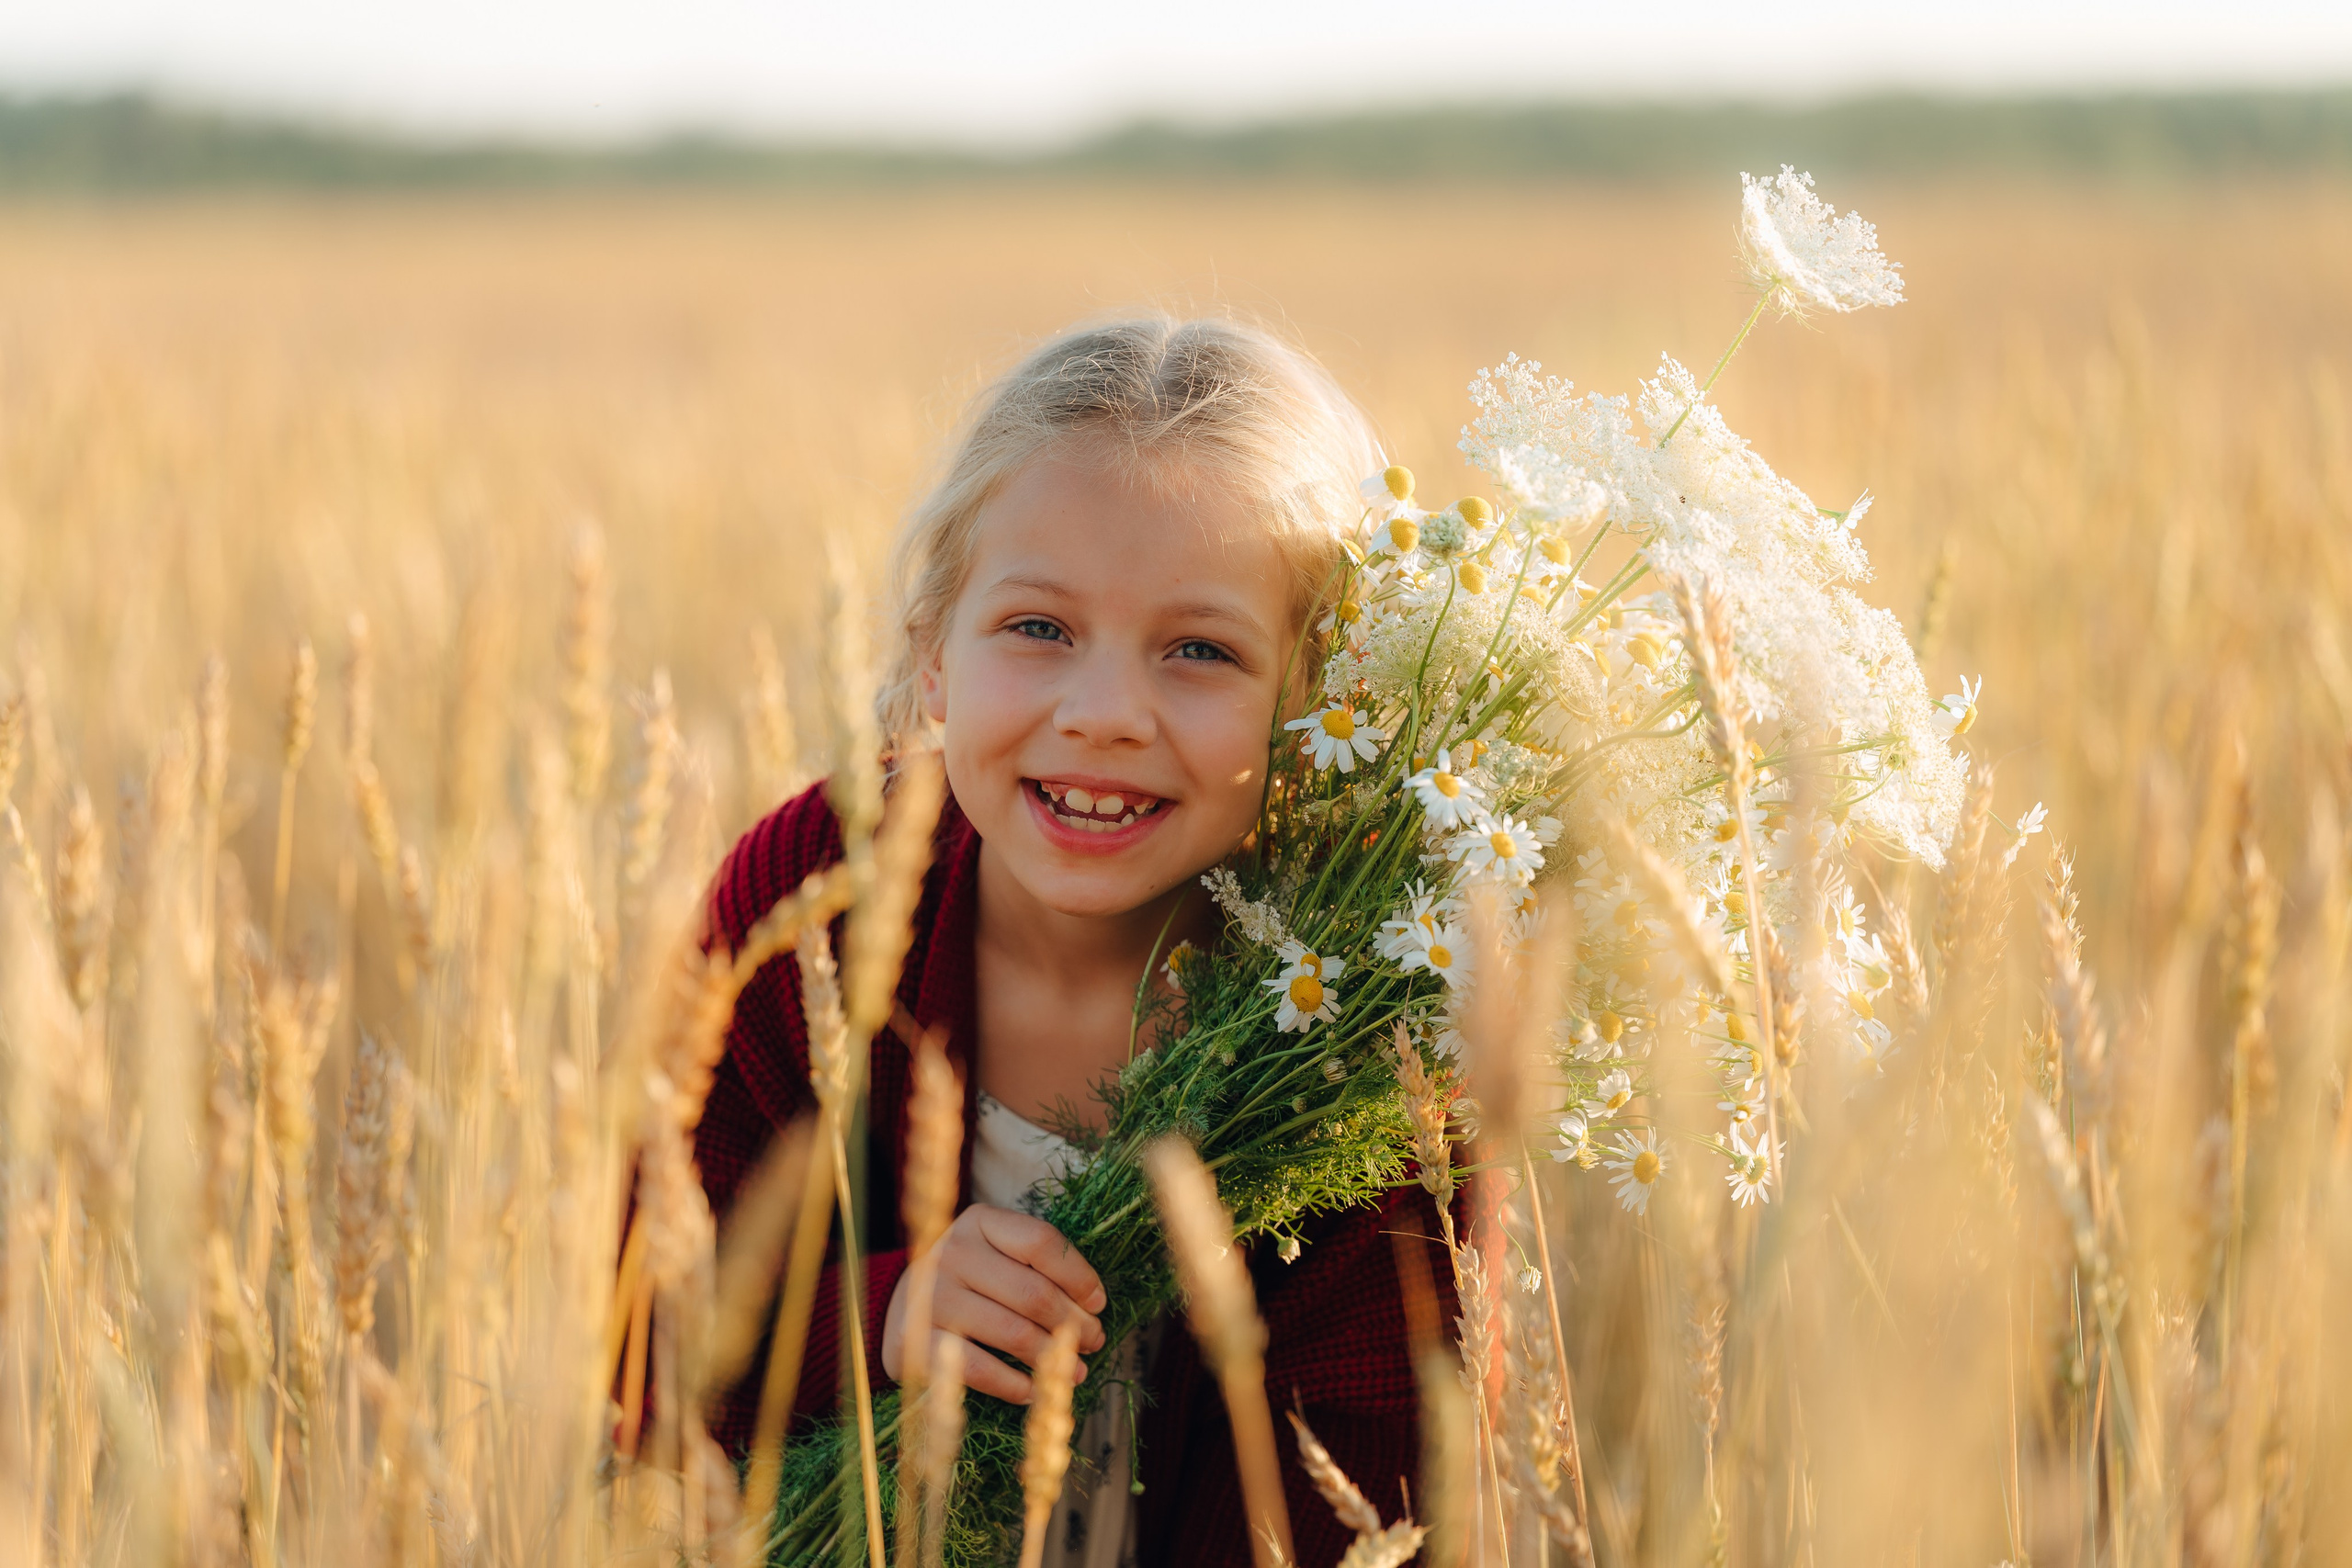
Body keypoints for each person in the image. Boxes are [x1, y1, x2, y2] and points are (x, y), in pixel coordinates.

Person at [694, 316, 1461, 1567]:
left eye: (1201, 651)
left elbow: (1379, 1478)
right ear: (933, 654)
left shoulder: (1371, 1021)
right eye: (1038, 629)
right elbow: (651, 1318)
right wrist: (881, 1320)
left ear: (1322, 704)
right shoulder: (814, 898)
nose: (1104, 714)